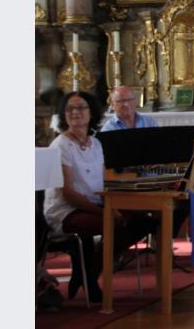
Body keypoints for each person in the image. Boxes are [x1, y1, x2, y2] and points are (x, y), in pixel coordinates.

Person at [43, 91, 154, 303]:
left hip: (96, 205)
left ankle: (88, 273)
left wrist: (116, 206)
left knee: (142, 221)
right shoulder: (61, 145)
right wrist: (106, 212)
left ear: (91, 112)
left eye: (81, 107)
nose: (75, 112)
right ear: (63, 115)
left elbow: (106, 183)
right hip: (66, 210)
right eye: (70, 109)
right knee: (114, 224)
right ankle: (90, 278)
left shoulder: (96, 143)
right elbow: (67, 194)